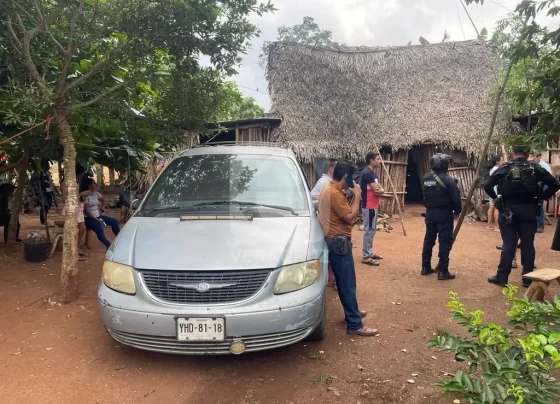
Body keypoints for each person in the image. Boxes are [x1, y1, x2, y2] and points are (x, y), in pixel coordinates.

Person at [317, 160, 378, 337]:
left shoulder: (329, 189)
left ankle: (352, 314)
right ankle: (355, 324)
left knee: (344, 283)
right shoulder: (334, 193)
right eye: (352, 177)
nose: (354, 181)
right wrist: (357, 195)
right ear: (346, 176)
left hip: (333, 240)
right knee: (347, 284)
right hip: (339, 242)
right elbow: (351, 218)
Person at [485, 146, 560, 287]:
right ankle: (527, 278)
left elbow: (487, 185)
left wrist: (496, 198)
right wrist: (542, 196)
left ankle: (502, 277)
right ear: (527, 154)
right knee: (527, 243)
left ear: (512, 153)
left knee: (509, 244)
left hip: (508, 211)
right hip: (529, 210)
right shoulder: (535, 168)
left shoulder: (505, 168)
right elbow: (555, 184)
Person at [420, 153, 461, 280]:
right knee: (444, 242)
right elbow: (456, 199)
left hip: (430, 213)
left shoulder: (426, 178)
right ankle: (443, 272)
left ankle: (425, 267)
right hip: (444, 214)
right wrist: (457, 212)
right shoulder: (448, 180)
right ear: (444, 165)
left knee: (428, 241)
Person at [310, 158, 338, 288]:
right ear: (331, 168)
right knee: (329, 251)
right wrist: (324, 200)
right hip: (326, 221)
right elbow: (312, 196)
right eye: (336, 167)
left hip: (329, 220)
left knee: (330, 251)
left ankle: (331, 278)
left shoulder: (331, 182)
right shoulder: (323, 182)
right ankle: (331, 278)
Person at [359, 153, 384, 266]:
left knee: (372, 230)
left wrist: (381, 190)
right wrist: (381, 191)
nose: (380, 161)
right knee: (369, 230)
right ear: (371, 160)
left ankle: (369, 252)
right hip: (369, 205)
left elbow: (379, 188)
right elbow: (377, 191)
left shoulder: (373, 173)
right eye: (378, 159)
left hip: (373, 205)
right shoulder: (367, 173)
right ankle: (366, 256)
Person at [81, 178, 120, 249]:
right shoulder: (85, 196)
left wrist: (102, 208)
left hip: (98, 217)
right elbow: (87, 211)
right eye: (94, 183)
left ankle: (120, 239)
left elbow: (103, 200)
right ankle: (109, 246)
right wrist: (97, 219)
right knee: (99, 229)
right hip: (88, 219)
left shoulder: (96, 193)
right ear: (89, 186)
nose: (95, 184)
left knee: (114, 221)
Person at [529, 151, 553, 233]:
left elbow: (549, 178)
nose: (533, 158)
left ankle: (540, 224)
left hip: (541, 187)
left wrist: (544, 190)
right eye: (532, 156)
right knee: (533, 205)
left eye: (535, 156)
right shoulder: (530, 164)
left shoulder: (544, 165)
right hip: (533, 187)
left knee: (539, 205)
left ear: (539, 156)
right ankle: (534, 223)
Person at [30, 160, 54, 228]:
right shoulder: (36, 172)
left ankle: (45, 221)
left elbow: (48, 182)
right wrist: (37, 191)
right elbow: (33, 182)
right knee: (44, 206)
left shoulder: (46, 172)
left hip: (48, 191)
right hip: (42, 192)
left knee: (48, 205)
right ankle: (43, 222)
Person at [486, 156, 503, 231]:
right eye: (501, 160)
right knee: (497, 207)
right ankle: (497, 226)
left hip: (491, 190)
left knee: (492, 206)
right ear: (497, 161)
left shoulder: (492, 168)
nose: (502, 161)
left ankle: (489, 225)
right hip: (496, 189)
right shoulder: (497, 169)